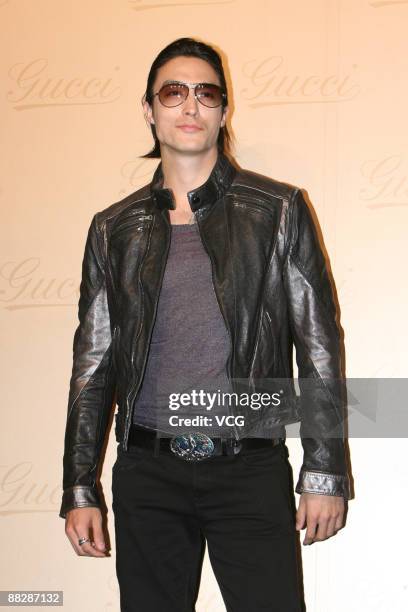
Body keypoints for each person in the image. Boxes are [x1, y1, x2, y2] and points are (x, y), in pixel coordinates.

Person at [60, 37, 351, 612]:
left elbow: (319, 347)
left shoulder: (279, 210)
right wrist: (79, 485)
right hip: (147, 472)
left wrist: (325, 470)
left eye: (206, 93)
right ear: (149, 109)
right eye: (173, 92)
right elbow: (92, 365)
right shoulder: (111, 229)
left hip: (249, 465)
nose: (190, 106)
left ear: (224, 109)